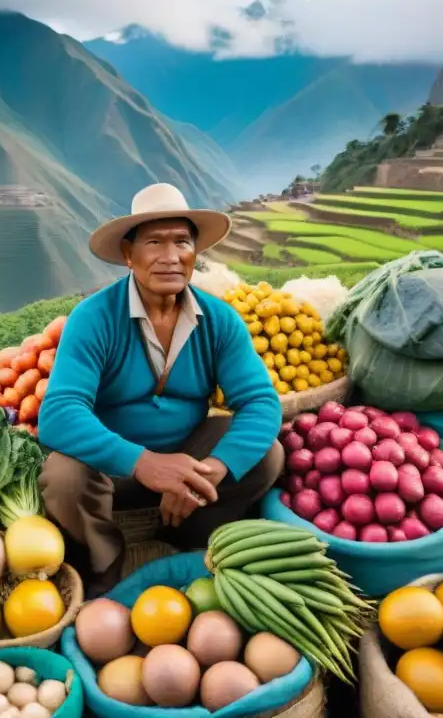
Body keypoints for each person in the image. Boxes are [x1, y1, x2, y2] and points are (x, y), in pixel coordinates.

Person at [38, 183, 283, 595]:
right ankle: (103, 568)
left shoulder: (219, 320)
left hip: (188, 454)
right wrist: (144, 462)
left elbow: (261, 402)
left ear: (195, 254)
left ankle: (190, 539)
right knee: (64, 477)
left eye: (182, 242)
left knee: (267, 454)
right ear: (129, 255)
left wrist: (211, 471)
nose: (171, 257)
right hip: (111, 469)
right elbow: (58, 414)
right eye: (154, 242)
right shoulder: (93, 318)